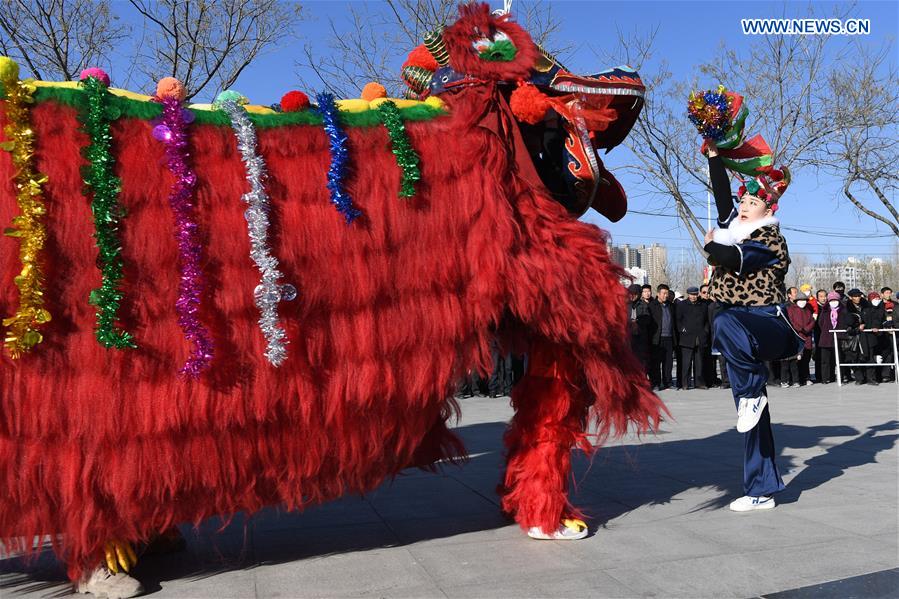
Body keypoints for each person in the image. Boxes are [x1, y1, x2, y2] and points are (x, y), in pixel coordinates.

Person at [703, 140, 802, 512]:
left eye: (752, 203)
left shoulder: (770, 239)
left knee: (726, 318)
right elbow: (721, 194)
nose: (743, 207)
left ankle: (752, 394)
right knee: (751, 416)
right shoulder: (736, 224)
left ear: (767, 210)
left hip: (768, 326)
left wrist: (712, 246)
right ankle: (761, 489)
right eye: (743, 202)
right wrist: (715, 156)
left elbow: (729, 255)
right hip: (736, 337)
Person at [816, 291, 854, 384]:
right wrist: (826, 330)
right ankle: (826, 378)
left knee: (840, 359)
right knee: (825, 360)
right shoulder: (825, 311)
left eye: (835, 300)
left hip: (840, 338)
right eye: (831, 300)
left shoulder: (843, 310)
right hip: (826, 338)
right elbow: (820, 323)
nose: (833, 302)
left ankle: (841, 376)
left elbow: (848, 322)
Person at [675, 286, 709, 389]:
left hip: (700, 336)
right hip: (687, 337)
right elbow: (678, 319)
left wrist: (705, 331)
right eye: (691, 294)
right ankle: (685, 383)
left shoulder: (703, 305)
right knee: (686, 362)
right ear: (688, 294)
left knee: (699, 362)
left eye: (695, 294)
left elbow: (707, 320)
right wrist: (682, 329)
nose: (693, 297)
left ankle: (699, 382)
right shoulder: (682, 305)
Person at [782, 292, 815, 386]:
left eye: (804, 300)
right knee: (796, 360)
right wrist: (800, 329)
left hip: (807, 337)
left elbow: (812, 321)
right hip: (796, 336)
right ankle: (796, 379)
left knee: (806, 358)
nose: (802, 302)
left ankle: (807, 378)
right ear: (796, 301)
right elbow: (790, 322)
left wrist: (807, 329)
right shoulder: (790, 309)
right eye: (800, 300)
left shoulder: (808, 309)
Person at [649, 284, 676, 390]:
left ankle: (668, 382)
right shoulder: (652, 306)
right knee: (656, 363)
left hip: (669, 337)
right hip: (657, 339)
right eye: (664, 293)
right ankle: (656, 383)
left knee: (668, 362)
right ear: (658, 294)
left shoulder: (671, 306)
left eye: (667, 293)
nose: (666, 295)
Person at [845, 289, 875, 385]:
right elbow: (846, 321)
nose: (857, 298)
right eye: (855, 296)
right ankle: (859, 378)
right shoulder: (846, 307)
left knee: (869, 357)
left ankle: (870, 378)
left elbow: (872, 318)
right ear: (850, 297)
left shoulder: (867, 305)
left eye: (859, 296)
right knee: (855, 357)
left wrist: (865, 325)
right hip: (854, 336)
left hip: (867, 335)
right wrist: (857, 326)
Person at [863, 291, 887, 384]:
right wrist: (872, 326)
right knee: (870, 357)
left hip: (881, 336)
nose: (877, 300)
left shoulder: (881, 309)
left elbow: (883, 320)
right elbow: (866, 321)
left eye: (878, 298)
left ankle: (880, 376)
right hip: (869, 337)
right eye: (874, 298)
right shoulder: (866, 310)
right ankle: (870, 378)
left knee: (881, 356)